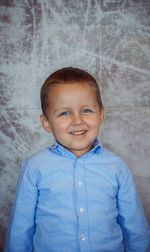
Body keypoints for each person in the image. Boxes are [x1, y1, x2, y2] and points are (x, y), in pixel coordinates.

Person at [4, 67, 150, 252]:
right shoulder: (35, 167)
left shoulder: (117, 167)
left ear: (101, 114)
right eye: (65, 113)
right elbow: (20, 230)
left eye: (87, 110)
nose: (78, 120)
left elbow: (135, 228)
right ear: (46, 122)